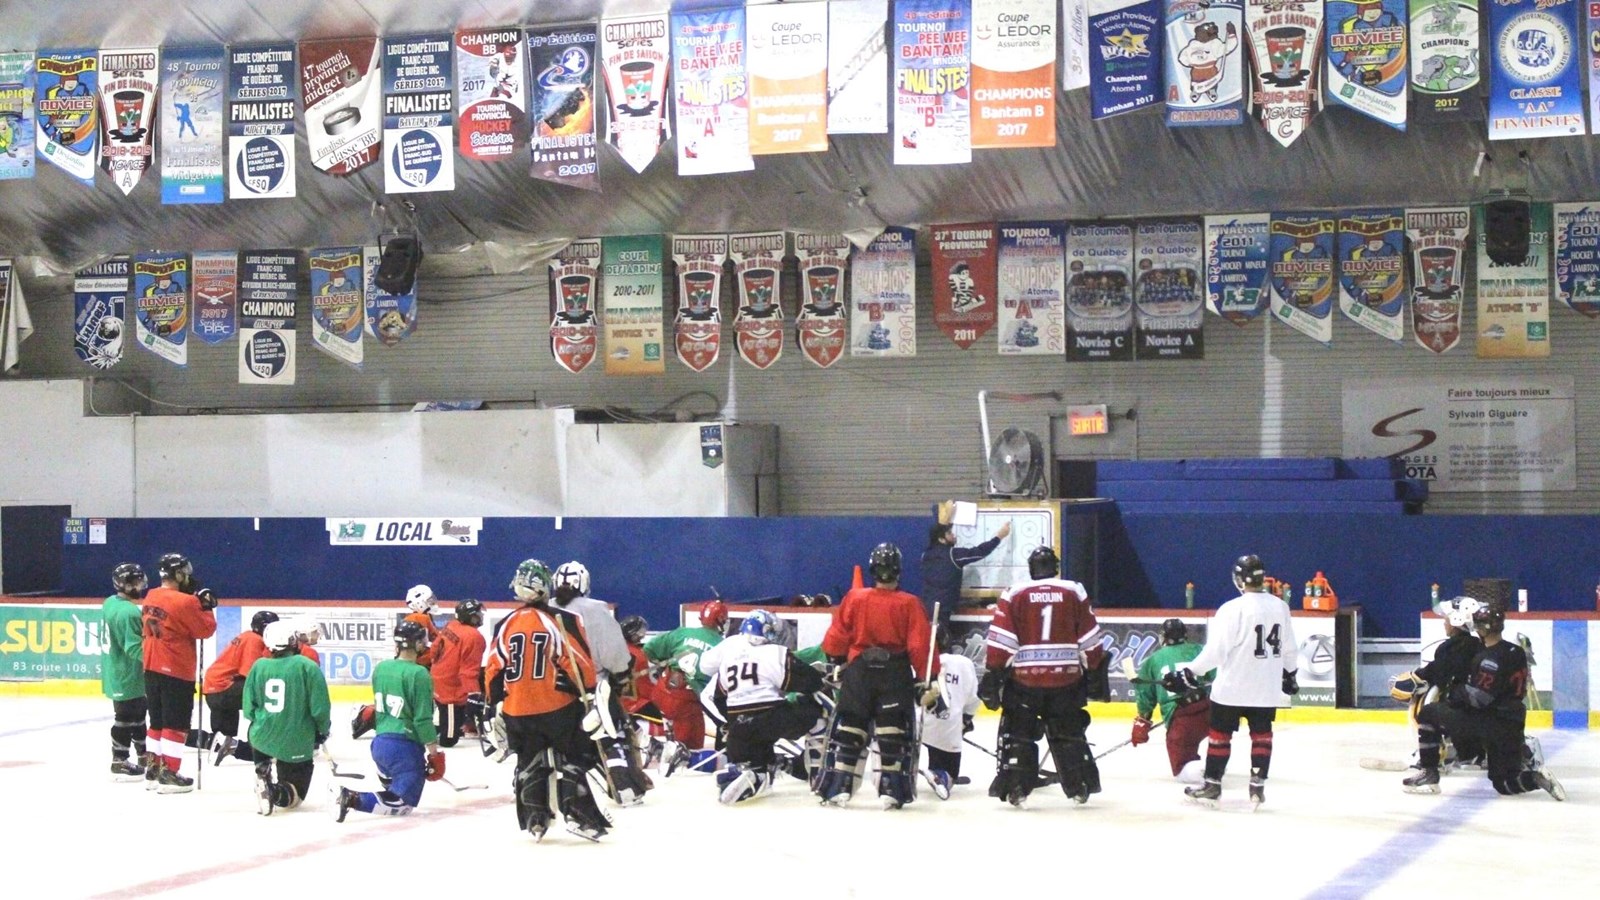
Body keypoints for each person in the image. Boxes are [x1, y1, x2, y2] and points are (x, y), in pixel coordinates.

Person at [482, 559, 612, 841]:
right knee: (575, 753)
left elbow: (493, 668)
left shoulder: (505, 624)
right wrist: (588, 690)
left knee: (528, 759)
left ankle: (535, 817)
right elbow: (579, 664)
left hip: (517, 708)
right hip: (556, 706)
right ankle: (579, 814)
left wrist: (496, 703)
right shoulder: (562, 619)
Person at [1163, 554, 1296, 809]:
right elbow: (1289, 648)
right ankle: (1257, 786)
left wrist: (1189, 673)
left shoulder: (1232, 609)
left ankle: (1212, 785)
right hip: (1265, 689)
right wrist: (1290, 674)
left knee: (1220, 736)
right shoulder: (1280, 607)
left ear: (1238, 579)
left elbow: (1216, 652)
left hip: (1232, 688)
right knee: (1262, 736)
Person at [979, 545, 1104, 807]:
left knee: (1019, 733)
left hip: (1025, 681)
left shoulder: (1015, 593)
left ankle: (1016, 785)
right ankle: (1079, 783)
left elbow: (1002, 641)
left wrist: (994, 672)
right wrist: (1093, 669)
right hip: (1066, 681)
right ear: (1056, 567)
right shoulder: (1074, 590)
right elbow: (1091, 639)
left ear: (1031, 569)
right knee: (1069, 732)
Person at [817, 542, 936, 810]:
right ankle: (892, 790)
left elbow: (837, 636)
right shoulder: (910, 603)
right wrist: (929, 678)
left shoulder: (855, 598)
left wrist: (834, 659)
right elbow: (920, 646)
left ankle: (839, 787)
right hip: (894, 675)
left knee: (850, 729)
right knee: (892, 732)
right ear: (898, 571)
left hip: (859, 673)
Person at [1403, 606, 1565, 800]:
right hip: (1514, 722)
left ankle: (1430, 773)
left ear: (1481, 628)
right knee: (1503, 783)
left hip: (1490, 722)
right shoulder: (1516, 651)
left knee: (1429, 713)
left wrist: (1455, 693)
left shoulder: (1487, 659)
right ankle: (1536, 778)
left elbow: (1478, 699)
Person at [552, 560, 649, 804]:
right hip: (592, 689)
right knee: (612, 736)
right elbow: (614, 655)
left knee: (558, 744)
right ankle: (625, 788)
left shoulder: (543, 609)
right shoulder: (596, 609)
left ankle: (544, 793)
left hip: (553, 692)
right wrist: (621, 674)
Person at [712, 611, 826, 804]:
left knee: (760, 773)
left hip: (738, 730)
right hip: (771, 719)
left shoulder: (728, 660)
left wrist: (736, 723)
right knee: (817, 714)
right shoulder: (775, 653)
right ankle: (817, 776)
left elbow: (719, 699)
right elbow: (811, 682)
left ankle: (754, 776)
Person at [333, 621, 442, 821]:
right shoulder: (419, 674)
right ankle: (353, 798)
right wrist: (434, 753)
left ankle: (390, 781)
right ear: (417, 644)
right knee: (403, 804)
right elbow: (422, 720)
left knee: (394, 782)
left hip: (380, 745)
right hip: (404, 749)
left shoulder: (381, 668)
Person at [140, 553, 219, 793]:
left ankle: (153, 769)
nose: (188, 577)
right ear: (177, 574)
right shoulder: (185, 602)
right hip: (175, 668)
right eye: (185, 572)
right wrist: (205, 606)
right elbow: (205, 630)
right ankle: (170, 773)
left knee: (157, 721)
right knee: (176, 723)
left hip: (151, 665)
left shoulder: (151, 595)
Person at [242, 621, 331, 815]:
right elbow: (320, 709)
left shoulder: (258, 666)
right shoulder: (307, 666)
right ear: (292, 641)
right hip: (295, 740)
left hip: (261, 737)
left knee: (260, 738)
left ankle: (262, 770)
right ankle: (273, 792)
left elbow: (248, 709)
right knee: (294, 797)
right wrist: (322, 731)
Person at [1392, 596, 1486, 770]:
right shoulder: (1478, 645)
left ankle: (1428, 755)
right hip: (1481, 712)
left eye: (1446, 619)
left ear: (1456, 621)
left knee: (1423, 707)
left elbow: (1438, 674)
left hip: (1462, 711)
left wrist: (1417, 676)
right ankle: (1471, 753)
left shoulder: (1450, 648)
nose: (1444, 623)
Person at [352, 585, 442, 739]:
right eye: (428, 600)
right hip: (417, 665)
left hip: (412, 664)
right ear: (420, 602)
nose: (432, 602)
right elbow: (437, 642)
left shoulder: (415, 618)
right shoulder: (421, 618)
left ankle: (367, 714)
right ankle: (368, 713)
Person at [643, 600, 727, 763]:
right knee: (690, 752)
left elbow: (649, 650)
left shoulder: (681, 633)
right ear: (721, 620)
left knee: (682, 745)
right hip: (686, 703)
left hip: (660, 693)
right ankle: (663, 750)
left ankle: (656, 744)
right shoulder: (722, 645)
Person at [1132, 618, 1212, 784]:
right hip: (1209, 710)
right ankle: (1217, 761)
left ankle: (1207, 771)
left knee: (1182, 768)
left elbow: (1146, 697)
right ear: (1185, 635)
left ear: (1163, 637)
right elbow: (1217, 677)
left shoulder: (1153, 660)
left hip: (1181, 719)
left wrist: (1142, 722)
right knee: (1219, 741)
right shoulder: (1199, 649)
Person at [201, 610, 279, 765]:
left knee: (226, 731)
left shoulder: (247, 636)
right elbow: (250, 675)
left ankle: (226, 742)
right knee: (269, 699)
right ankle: (262, 745)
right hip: (222, 689)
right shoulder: (254, 640)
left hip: (215, 688)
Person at [921, 630, 983, 798]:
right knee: (950, 773)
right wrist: (966, 720)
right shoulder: (963, 663)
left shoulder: (918, 661)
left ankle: (903, 774)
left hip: (915, 725)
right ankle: (941, 775)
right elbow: (974, 697)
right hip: (947, 727)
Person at [102, 563, 149, 782]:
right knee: (125, 718)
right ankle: (119, 761)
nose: (141, 585)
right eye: (137, 582)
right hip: (127, 674)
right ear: (127, 585)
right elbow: (133, 648)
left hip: (118, 672)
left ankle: (143, 755)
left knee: (138, 714)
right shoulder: (129, 611)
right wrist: (156, 660)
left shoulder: (110, 602)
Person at [920, 520, 1010, 630]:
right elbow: (978, 552)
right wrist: (999, 537)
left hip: (926, 606)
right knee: (940, 640)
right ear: (941, 539)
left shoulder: (926, 555)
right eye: (949, 533)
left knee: (931, 641)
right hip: (943, 608)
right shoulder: (952, 554)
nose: (953, 535)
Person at [432, 599, 486, 749]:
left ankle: (464, 722)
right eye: (477, 614)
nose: (480, 616)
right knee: (449, 740)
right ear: (470, 617)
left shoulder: (451, 625)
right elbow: (468, 671)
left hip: (438, 679)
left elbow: (434, 649)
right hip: (450, 690)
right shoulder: (474, 637)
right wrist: (474, 694)